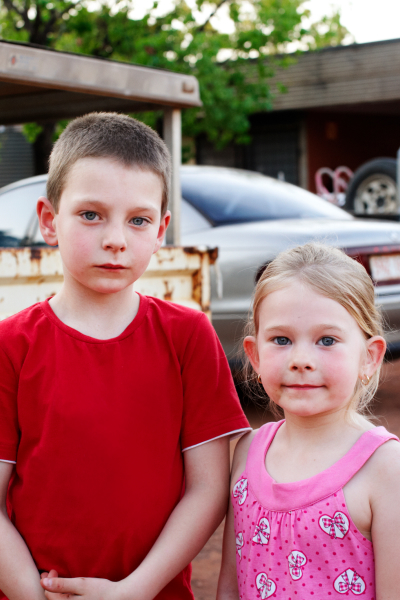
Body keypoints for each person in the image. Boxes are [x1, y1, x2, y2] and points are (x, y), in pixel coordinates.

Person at [0, 112, 250, 600]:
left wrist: (133, 591)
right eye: (91, 214)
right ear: (50, 220)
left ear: (161, 230)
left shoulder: (188, 336)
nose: (115, 239)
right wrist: (31, 595)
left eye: (138, 220)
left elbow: (208, 489)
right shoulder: (11, 345)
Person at [217, 242, 400, 600]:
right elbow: (229, 587)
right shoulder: (248, 451)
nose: (301, 359)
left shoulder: (386, 469)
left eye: (327, 340)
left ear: (369, 357)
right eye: (281, 339)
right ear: (253, 356)